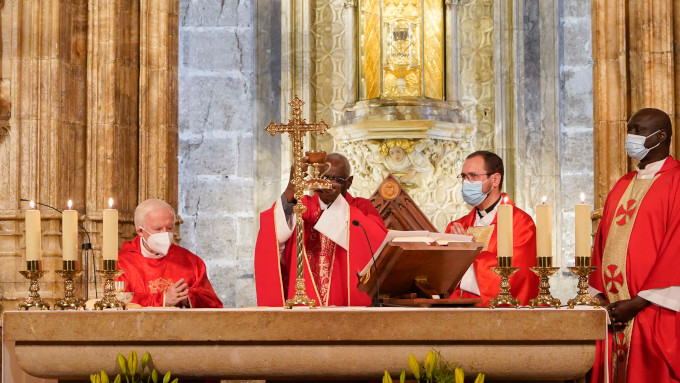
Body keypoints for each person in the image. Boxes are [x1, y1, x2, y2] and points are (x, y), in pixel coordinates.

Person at [589, 108, 680, 383]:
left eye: (638, 130)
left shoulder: (677, 182)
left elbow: (677, 248)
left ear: (661, 136)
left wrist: (639, 302)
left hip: (654, 311)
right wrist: (601, 298)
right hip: (614, 314)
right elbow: (602, 243)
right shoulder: (623, 184)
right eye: (630, 129)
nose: (631, 136)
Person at [255, 153, 388, 307]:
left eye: (336, 180)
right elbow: (272, 233)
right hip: (304, 307)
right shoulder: (302, 206)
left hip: (348, 307)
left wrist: (337, 205)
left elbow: (379, 247)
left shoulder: (361, 208)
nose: (328, 184)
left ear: (349, 182)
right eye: (323, 179)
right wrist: (291, 187)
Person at [445, 151, 539, 306]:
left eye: (473, 176)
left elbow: (518, 276)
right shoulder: (457, 227)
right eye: (463, 176)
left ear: (495, 179)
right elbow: (443, 282)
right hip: (457, 313)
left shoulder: (520, 223)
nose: (466, 182)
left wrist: (469, 252)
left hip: (501, 317)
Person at [116, 198, 223, 308]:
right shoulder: (122, 263)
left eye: (170, 228)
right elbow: (118, 303)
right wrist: (163, 300)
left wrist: (188, 298)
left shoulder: (191, 261)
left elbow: (213, 306)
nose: (165, 233)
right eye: (158, 228)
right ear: (140, 231)